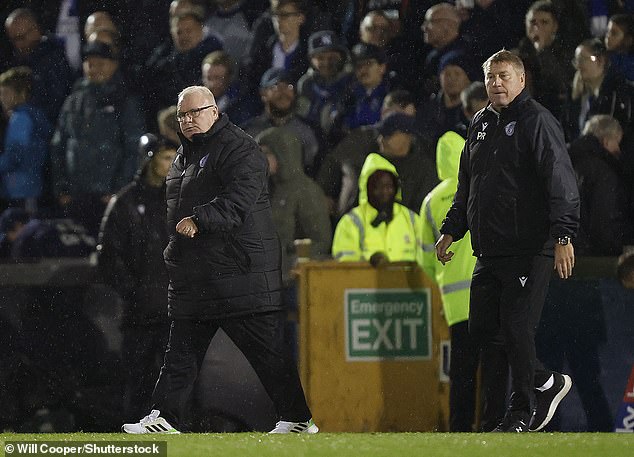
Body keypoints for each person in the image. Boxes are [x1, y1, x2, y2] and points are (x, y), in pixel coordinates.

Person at [122, 85, 317, 434]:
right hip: (200, 275)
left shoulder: (240, 148)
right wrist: (175, 251)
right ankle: (165, 417)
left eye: (195, 112)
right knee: (180, 353)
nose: (188, 120)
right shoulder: (184, 156)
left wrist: (200, 219)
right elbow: (175, 216)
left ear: (214, 111)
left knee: (267, 354)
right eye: (182, 115)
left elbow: (239, 200)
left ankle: (298, 419)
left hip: (240, 273)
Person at [435, 50, 580, 432]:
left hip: (529, 247)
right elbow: (468, 185)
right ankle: (545, 383)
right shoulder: (480, 122)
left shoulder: (537, 121)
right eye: (491, 77)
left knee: (517, 327)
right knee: (483, 329)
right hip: (489, 250)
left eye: (504, 76)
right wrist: (452, 228)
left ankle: (520, 413)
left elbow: (561, 181)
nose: (496, 83)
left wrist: (564, 234)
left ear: (521, 81)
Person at [98, 135, 176, 420]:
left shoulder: (179, 200)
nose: (171, 164)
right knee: (139, 381)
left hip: (174, 310)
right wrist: (134, 291)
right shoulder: (126, 202)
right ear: (149, 160)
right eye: (166, 158)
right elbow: (109, 256)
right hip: (140, 313)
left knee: (175, 383)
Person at [50, 40, 145, 237]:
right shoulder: (74, 100)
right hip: (76, 195)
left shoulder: (125, 100)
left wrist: (119, 191)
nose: (93, 69)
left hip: (108, 196)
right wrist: (62, 188)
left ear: (114, 65)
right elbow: (59, 144)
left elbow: (133, 149)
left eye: (100, 63)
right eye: (89, 63)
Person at [332, 152, 423, 267]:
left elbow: (426, 258)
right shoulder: (350, 223)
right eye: (378, 187)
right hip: (366, 284)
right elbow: (346, 266)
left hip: (406, 284)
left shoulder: (411, 219)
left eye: (389, 186)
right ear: (367, 189)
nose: (385, 192)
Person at [0, 66, 52, 213]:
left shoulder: (20, 118)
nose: (2, 98)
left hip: (19, 189)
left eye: (6, 93)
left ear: (22, 93)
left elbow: (15, 155)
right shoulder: (34, 115)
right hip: (30, 187)